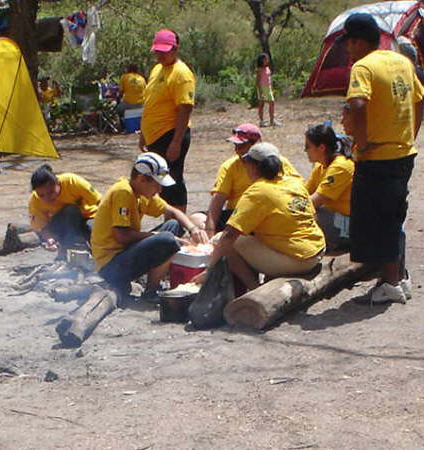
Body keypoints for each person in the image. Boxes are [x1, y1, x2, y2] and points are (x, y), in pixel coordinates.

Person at [345, 13, 424, 303]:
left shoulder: (363, 66)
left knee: (379, 220)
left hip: (377, 157)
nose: (348, 49)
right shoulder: (402, 61)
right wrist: (410, 135)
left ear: (357, 41)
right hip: (403, 152)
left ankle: (391, 282)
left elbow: (357, 104)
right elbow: (420, 98)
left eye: (349, 43)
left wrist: (362, 143)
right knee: (394, 214)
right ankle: (398, 277)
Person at [193, 143, 325, 290]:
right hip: (317, 251)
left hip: (298, 261)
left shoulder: (257, 191)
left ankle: (254, 289)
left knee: (220, 240)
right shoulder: (293, 183)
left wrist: (208, 271)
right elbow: (313, 217)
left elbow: (229, 236)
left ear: (254, 167)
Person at [91, 152, 208, 301]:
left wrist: (193, 229)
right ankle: (151, 291)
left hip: (125, 254)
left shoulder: (141, 193)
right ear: (141, 179)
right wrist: (155, 236)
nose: (159, 190)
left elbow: (172, 211)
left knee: (172, 225)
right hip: (111, 266)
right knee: (167, 240)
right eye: (157, 185)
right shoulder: (123, 192)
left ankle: (153, 278)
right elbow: (121, 236)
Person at [190, 123, 301, 237]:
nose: (237, 150)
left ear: (256, 145)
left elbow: (297, 190)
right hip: (239, 214)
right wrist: (210, 230)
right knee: (196, 219)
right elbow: (218, 200)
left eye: (241, 146)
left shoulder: (279, 162)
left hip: (269, 213)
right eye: (235, 146)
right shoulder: (230, 166)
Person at [140, 29, 196, 213]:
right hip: (155, 136)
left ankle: (177, 222)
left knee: (172, 180)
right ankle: (169, 220)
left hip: (171, 134)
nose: (160, 55)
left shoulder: (181, 73)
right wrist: (143, 133)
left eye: (164, 51)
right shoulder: (157, 69)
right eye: (157, 51)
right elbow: (150, 102)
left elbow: (185, 108)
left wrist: (176, 142)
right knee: (160, 179)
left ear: (175, 49)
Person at [304, 122, 354, 253]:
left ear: (321, 148)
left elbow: (314, 201)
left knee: (305, 217)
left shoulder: (341, 167)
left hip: (349, 226)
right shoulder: (320, 166)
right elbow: (304, 193)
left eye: (308, 146)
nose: (305, 151)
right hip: (333, 218)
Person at [28, 164, 101, 254]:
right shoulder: (35, 201)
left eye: (50, 192)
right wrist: (49, 239)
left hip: (88, 216)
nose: (47, 198)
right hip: (62, 225)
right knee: (69, 212)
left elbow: (100, 202)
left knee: (95, 233)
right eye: (41, 195)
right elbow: (41, 227)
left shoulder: (72, 181)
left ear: (57, 183)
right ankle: (66, 249)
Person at [256, 53, 281, 127]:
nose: (267, 60)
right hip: (263, 87)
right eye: (266, 59)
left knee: (271, 103)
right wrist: (260, 91)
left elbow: (269, 78)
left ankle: (272, 120)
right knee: (262, 104)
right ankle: (262, 121)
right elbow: (258, 81)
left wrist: (271, 87)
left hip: (268, 87)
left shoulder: (267, 68)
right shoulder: (260, 69)